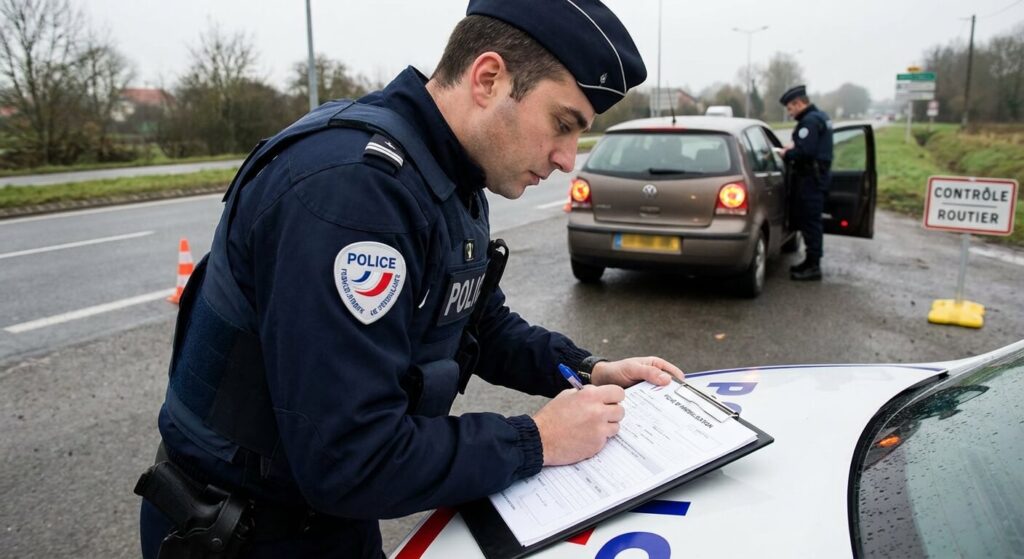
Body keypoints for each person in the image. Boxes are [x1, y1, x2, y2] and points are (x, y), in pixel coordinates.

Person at [136, 1, 686, 557]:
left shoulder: (448, 171)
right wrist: (537, 441)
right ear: (488, 78)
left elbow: (478, 320)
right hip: (244, 534)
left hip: (320, 519)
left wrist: (585, 370)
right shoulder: (355, 192)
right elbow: (350, 456)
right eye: (562, 124)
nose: (569, 158)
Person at [779, 85, 833, 281]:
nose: (789, 112)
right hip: (817, 178)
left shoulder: (809, 122)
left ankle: (813, 266)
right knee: (812, 221)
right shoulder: (821, 117)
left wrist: (787, 153)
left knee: (811, 223)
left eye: (790, 108)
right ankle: (811, 262)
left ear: (799, 103)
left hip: (810, 179)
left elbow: (805, 153)